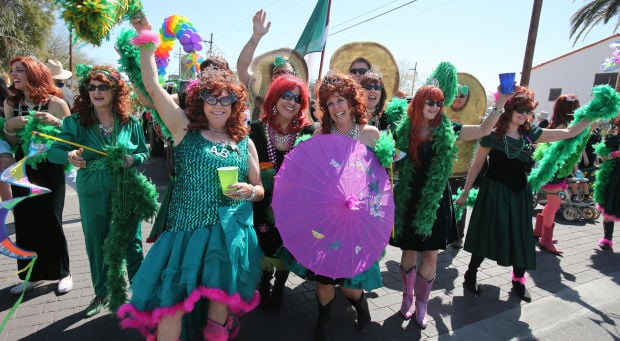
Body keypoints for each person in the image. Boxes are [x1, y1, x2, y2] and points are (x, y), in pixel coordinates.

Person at [119, 15, 264, 341]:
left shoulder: (244, 141)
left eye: (226, 98)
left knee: (218, 310)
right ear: (200, 100)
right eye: (210, 97)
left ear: (234, 103)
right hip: (185, 233)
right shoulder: (183, 128)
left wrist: (249, 191)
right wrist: (145, 39)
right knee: (174, 306)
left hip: (225, 239)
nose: (218, 104)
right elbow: (153, 87)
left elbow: (260, 189)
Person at [456, 86, 594, 302]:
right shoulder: (492, 136)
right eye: (519, 109)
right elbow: (476, 166)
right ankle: (471, 273)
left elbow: (568, 133)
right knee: (487, 233)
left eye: (527, 110)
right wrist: (465, 192)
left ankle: (518, 281)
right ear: (509, 110)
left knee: (520, 237)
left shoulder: (531, 134)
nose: (523, 113)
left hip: (519, 195)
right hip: (493, 193)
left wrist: (591, 115)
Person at [389, 83, 510, 329]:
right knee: (409, 250)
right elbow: (387, 156)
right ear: (420, 102)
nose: (434, 107)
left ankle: (423, 304)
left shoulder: (449, 128)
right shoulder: (403, 130)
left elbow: (483, 129)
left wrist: (500, 104)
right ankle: (407, 298)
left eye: (438, 102)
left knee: (431, 253)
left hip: (436, 199)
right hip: (408, 197)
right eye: (429, 102)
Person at [47, 64, 149, 317]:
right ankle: (102, 293)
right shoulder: (76, 121)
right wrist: (69, 155)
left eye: (103, 86)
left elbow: (143, 151)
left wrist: (133, 160)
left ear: (116, 91)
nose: (97, 91)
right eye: (91, 87)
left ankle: (140, 291)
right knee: (96, 241)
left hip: (127, 186)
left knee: (132, 241)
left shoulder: (130, 121)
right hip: (92, 187)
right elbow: (53, 152)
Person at [288, 73, 383, 340]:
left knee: (349, 283)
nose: (336, 107)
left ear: (352, 102)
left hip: (355, 219)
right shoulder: (321, 133)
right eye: (329, 103)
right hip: (325, 217)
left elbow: (381, 183)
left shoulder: (369, 134)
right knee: (324, 277)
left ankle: (361, 307)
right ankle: (323, 320)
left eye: (340, 100)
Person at [3, 56, 72, 295]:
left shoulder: (55, 103)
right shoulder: (11, 103)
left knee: (51, 218)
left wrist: (56, 123)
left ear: (34, 73)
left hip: (50, 167)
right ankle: (30, 275)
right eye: (12, 71)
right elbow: (12, 143)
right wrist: (9, 127)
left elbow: (72, 139)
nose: (14, 74)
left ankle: (63, 273)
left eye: (19, 70)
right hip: (23, 167)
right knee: (24, 219)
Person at [249, 74, 315, 308]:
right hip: (261, 201)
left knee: (288, 244)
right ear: (275, 98)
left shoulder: (308, 132)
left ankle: (279, 287)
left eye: (297, 98)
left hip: (293, 206)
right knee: (264, 242)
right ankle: (264, 284)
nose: (291, 102)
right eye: (286, 95)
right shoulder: (256, 130)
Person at [533, 94, 581, 255]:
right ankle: (545, 239)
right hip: (555, 172)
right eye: (576, 107)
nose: (578, 110)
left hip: (560, 171)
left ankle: (539, 230)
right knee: (554, 205)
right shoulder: (563, 126)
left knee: (553, 204)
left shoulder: (563, 124)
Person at [593, 115, 620, 251]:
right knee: (610, 206)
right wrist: (615, 154)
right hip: (615, 178)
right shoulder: (613, 139)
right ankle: (607, 239)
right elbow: (603, 158)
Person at [0, 75, 13, 201]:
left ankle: (19, 218)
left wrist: (4, 153)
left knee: (5, 188)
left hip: (3, 151)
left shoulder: (7, 104)